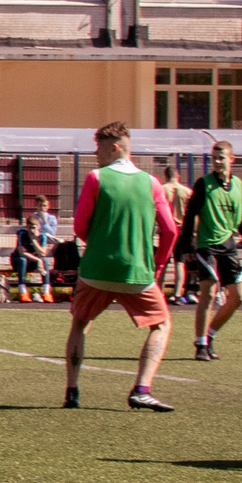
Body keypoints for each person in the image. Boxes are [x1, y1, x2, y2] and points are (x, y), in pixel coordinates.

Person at [63, 121, 182, 412]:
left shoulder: (96, 178)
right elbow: (170, 231)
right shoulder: (152, 183)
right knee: (162, 325)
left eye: (99, 147)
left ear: (115, 147)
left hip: (96, 271)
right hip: (136, 272)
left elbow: (80, 226)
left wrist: (101, 244)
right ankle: (142, 389)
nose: (96, 153)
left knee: (80, 322)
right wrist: (158, 263)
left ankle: (72, 391)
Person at [182, 142, 242, 360]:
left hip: (229, 246)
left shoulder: (238, 185)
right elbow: (190, 216)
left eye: (221, 158)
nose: (217, 161)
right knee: (210, 291)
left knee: (239, 297)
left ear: (231, 159)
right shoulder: (204, 184)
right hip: (207, 246)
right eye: (214, 158)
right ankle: (200, 344)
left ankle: (210, 334)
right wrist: (187, 245)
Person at [161, 161, 199, 303]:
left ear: (165, 176)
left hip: (166, 229)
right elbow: (194, 213)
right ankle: (177, 293)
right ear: (178, 175)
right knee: (179, 262)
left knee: (163, 262)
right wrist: (194, 231)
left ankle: (159, 291)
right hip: (182, 229)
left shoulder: (161, 189)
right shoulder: (187, 191)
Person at [11, 208, 47, 302]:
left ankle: (46, 292)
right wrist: (38, 260)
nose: (32, 230)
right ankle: (23, 292)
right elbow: (22, 252)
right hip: (18, 261)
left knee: (45, 261)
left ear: (38, 227)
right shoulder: (22, 234)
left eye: (34, 227)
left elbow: (43, 253)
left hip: (32, 262)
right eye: (30, 227)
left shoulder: (42, 236)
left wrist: (34, 240)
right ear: (27, 227)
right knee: (23, 260)